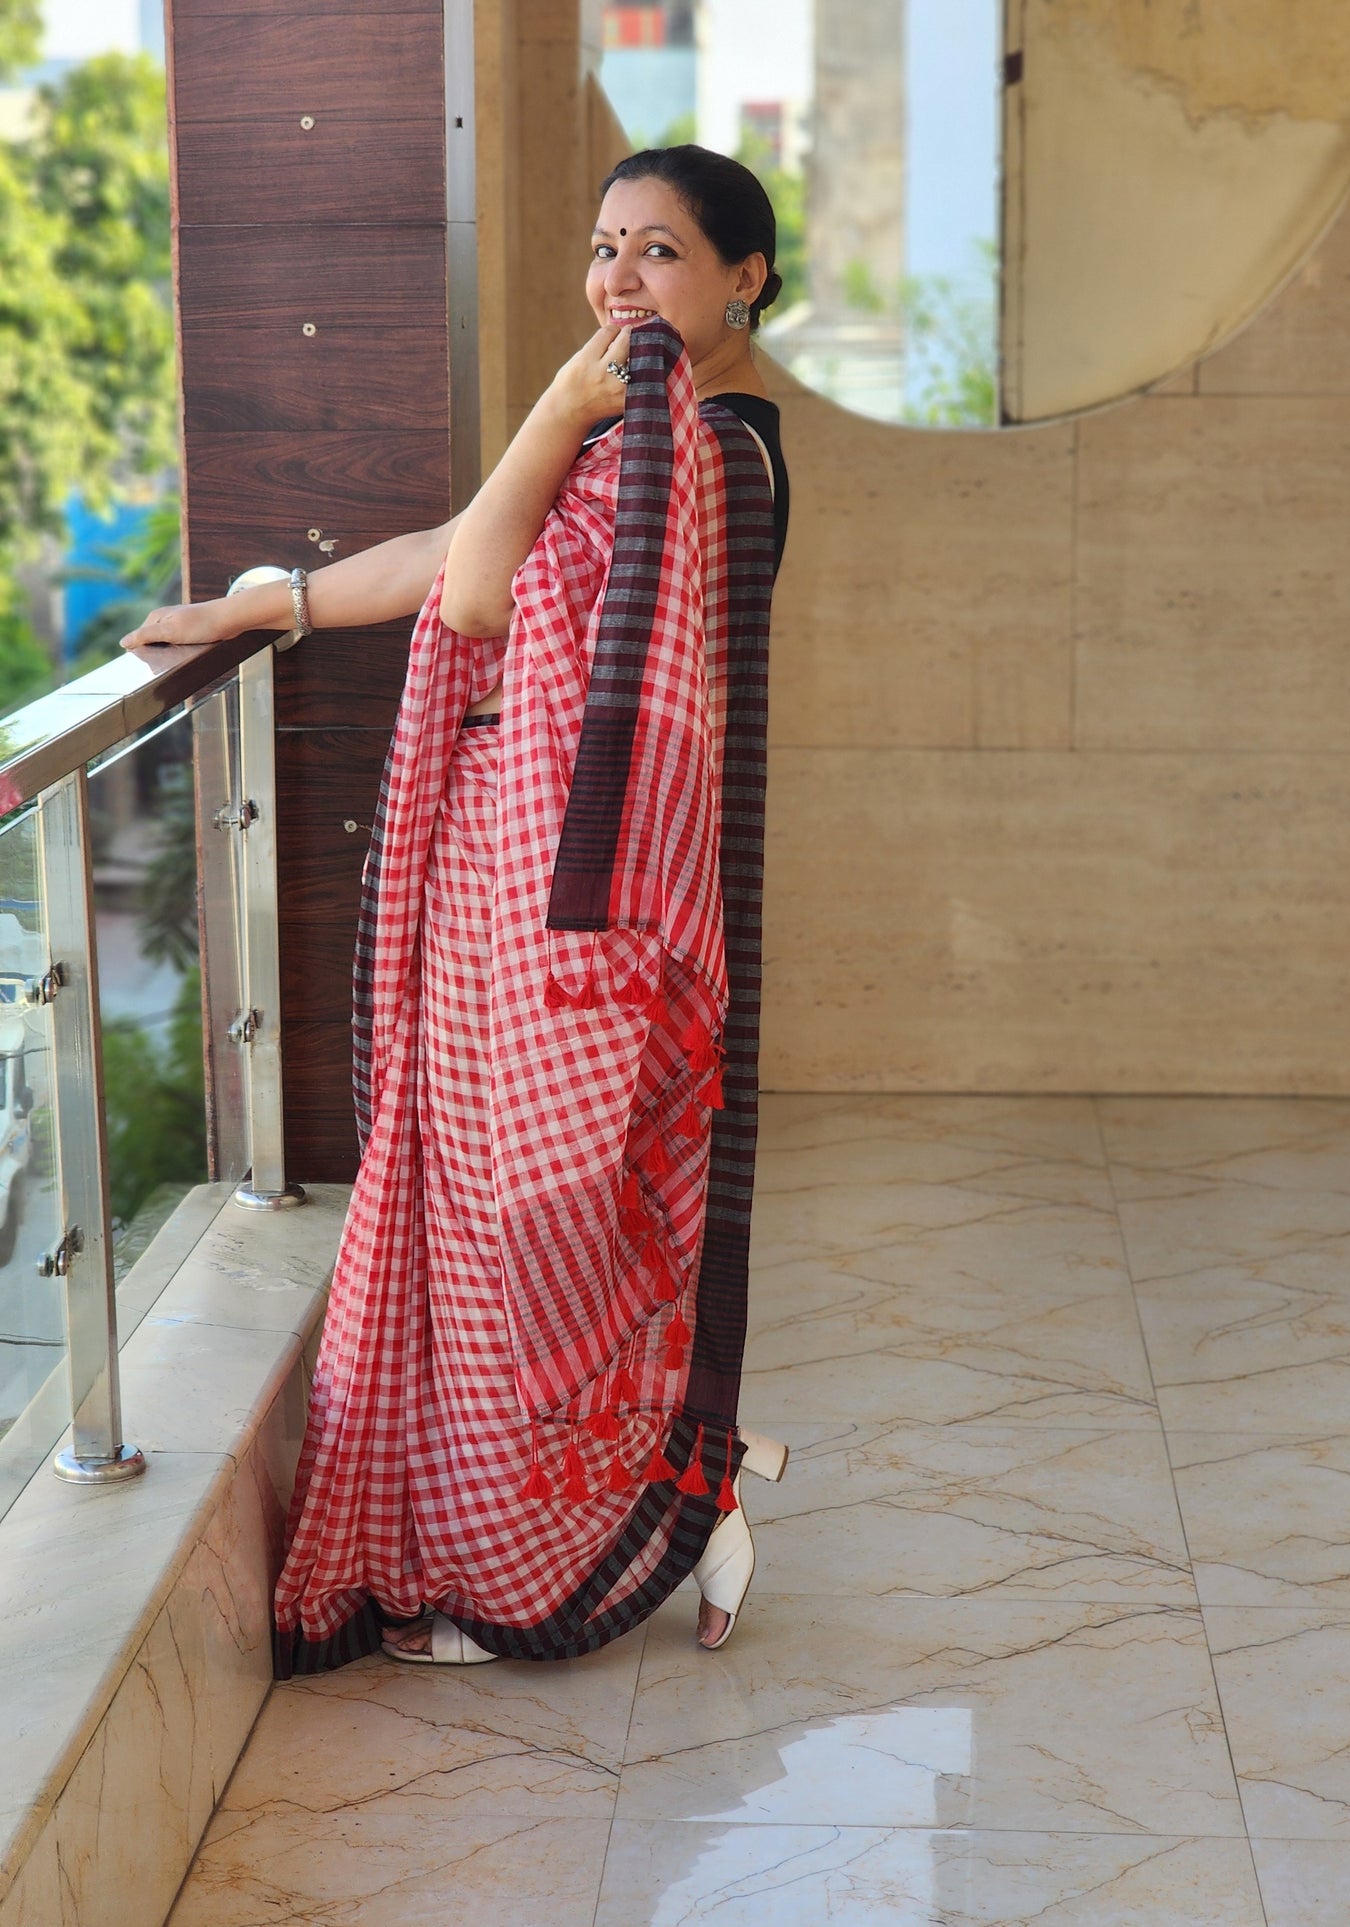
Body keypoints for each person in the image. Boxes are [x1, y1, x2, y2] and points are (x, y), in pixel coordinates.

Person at [123, 146, 791, 1665]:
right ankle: (684, 1481)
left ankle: (572, 1548)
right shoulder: (650, 427)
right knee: (540, 1224)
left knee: (529, 1234)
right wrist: (261, 607)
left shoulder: (689, 444)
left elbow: (483, 602)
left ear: (746, 274)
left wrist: (559, 406)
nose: (619, 281)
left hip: (576, 910)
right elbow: (458, 551)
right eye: (607, 245)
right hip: (535, 878)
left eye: (662, 254)